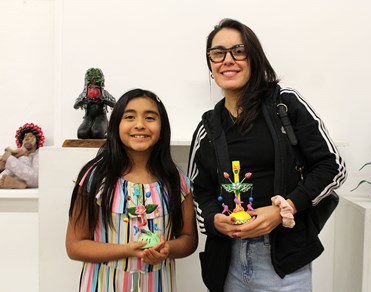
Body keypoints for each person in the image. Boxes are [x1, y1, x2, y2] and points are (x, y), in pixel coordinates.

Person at [187, 18, 347, 292]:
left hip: (285, 263)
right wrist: (214, 220)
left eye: (239, 50)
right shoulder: (208, 126)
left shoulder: (285, 103)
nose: (228, 60)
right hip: (228, 263)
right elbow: (199, 191)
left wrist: (283, 209)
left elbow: (333, 167)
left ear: (254, 57)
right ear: (211, 66)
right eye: (218, 53)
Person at [66, 88, 198, 292]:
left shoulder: (177, 181)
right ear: (116, 124)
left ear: (162, 127)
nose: (140, 125)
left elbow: (189, 239)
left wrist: (168, 248)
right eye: (129, 117)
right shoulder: (94, 177)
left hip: (158, 285)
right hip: (103, 285)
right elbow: (75, 246)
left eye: (150, 117)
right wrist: (126, 250)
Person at [74, 68, 116, 139]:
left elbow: (115, 105)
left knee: (97, 133)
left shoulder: (104, 94)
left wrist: (105, 101)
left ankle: (104, 131)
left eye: (96, 87)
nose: (93, 90)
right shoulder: (84, 95)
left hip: (101, 117)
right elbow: (75, 106)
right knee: (82, 133)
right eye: (90, 87)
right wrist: (83, 101)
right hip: (88, 117)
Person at [0, 123, 45, 189]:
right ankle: (18, 184)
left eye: (31, 136)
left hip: (27, 178)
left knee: (24, 159)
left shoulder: (37, 156)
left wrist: (9, 159)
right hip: (5, 178)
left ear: (37, 141)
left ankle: (17, 183)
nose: (27, 138)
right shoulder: (15, 153)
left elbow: (36, 179)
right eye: (25, 137)